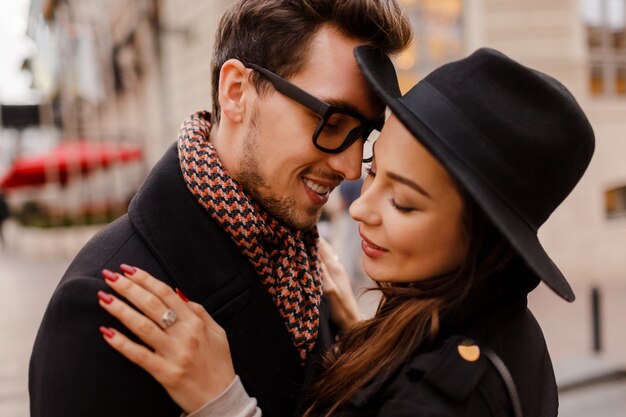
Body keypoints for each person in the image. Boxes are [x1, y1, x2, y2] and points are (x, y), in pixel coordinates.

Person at [94, 46, 594, 417]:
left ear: (483, 238)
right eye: (375, 169)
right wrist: (362, 334)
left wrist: (224, 403)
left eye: (402, 202)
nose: (360, 209)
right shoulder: (471, 320)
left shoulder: (449, 395)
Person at [28, 2, 412, 417]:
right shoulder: (107, 300)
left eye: (364, 134)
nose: (351, 165)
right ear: (236, 92)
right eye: (331, 122)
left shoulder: (303, 264)